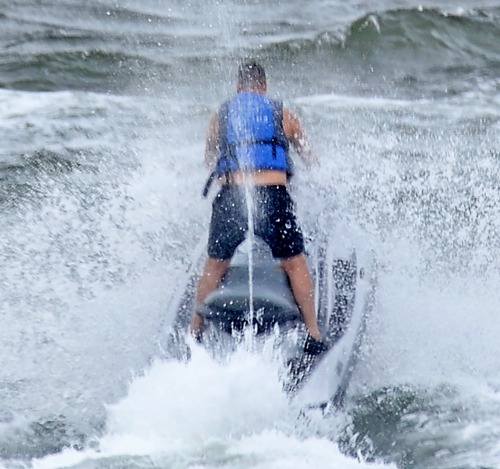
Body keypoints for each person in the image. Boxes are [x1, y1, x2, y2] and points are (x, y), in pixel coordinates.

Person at [191, 61, 325, 351]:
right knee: (294, 263)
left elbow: (209, 159)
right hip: (274, 195)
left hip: (231, 197)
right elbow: (310, 158)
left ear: (238, 87)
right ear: (264, 87)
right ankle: (313, 333)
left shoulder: (221, 115)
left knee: (215, 265)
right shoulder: (282, 113)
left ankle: (196, 331)